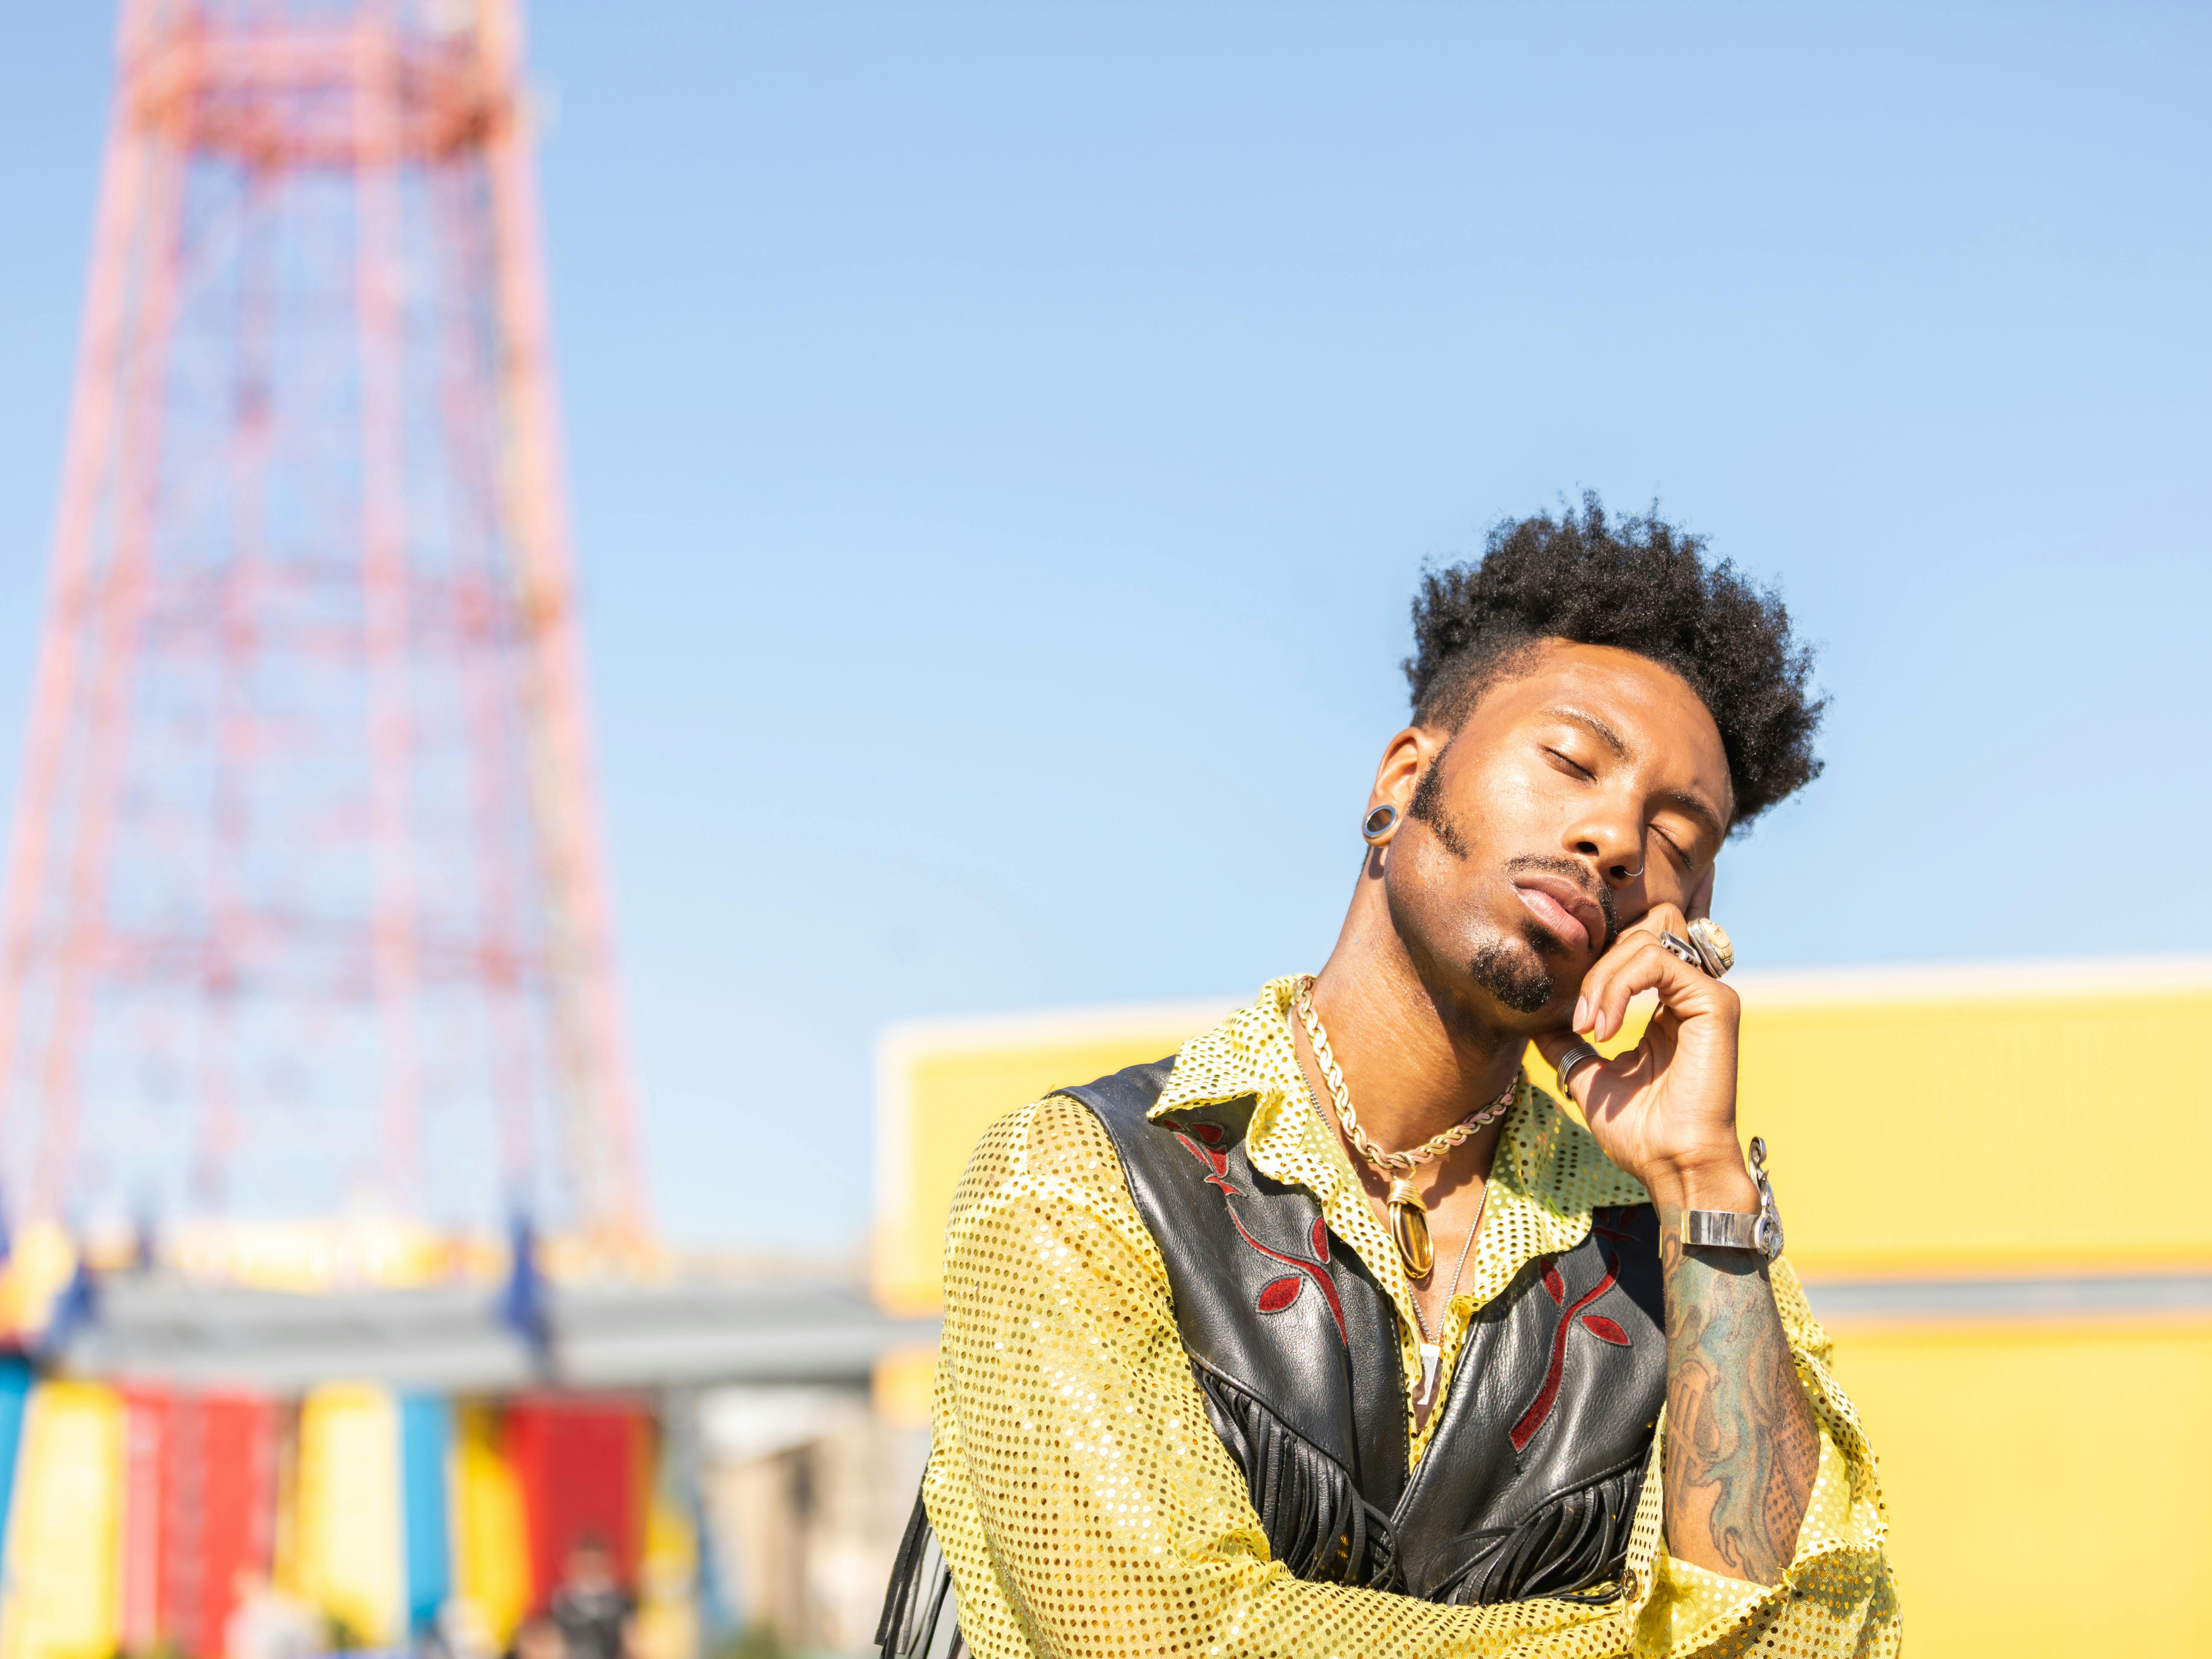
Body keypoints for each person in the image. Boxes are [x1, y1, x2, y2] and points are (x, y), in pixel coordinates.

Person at [877, 499, 1897, 1659]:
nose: (1614, 832)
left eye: (1676, 834)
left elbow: (1811, 1636)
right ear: (1403, 776)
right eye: (1570, 759)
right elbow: (1171, 1634)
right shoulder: (1082, 1179)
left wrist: (1699, 1178)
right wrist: (1647, 1637)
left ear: (1687, 916)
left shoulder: (1682, 1251)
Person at [549, 1534, 637, 1659]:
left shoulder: (624, 1603)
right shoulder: (556, 1606)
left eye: (596, 1566)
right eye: (585, 1566)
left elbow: (634, 1646)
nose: (591, 1572)